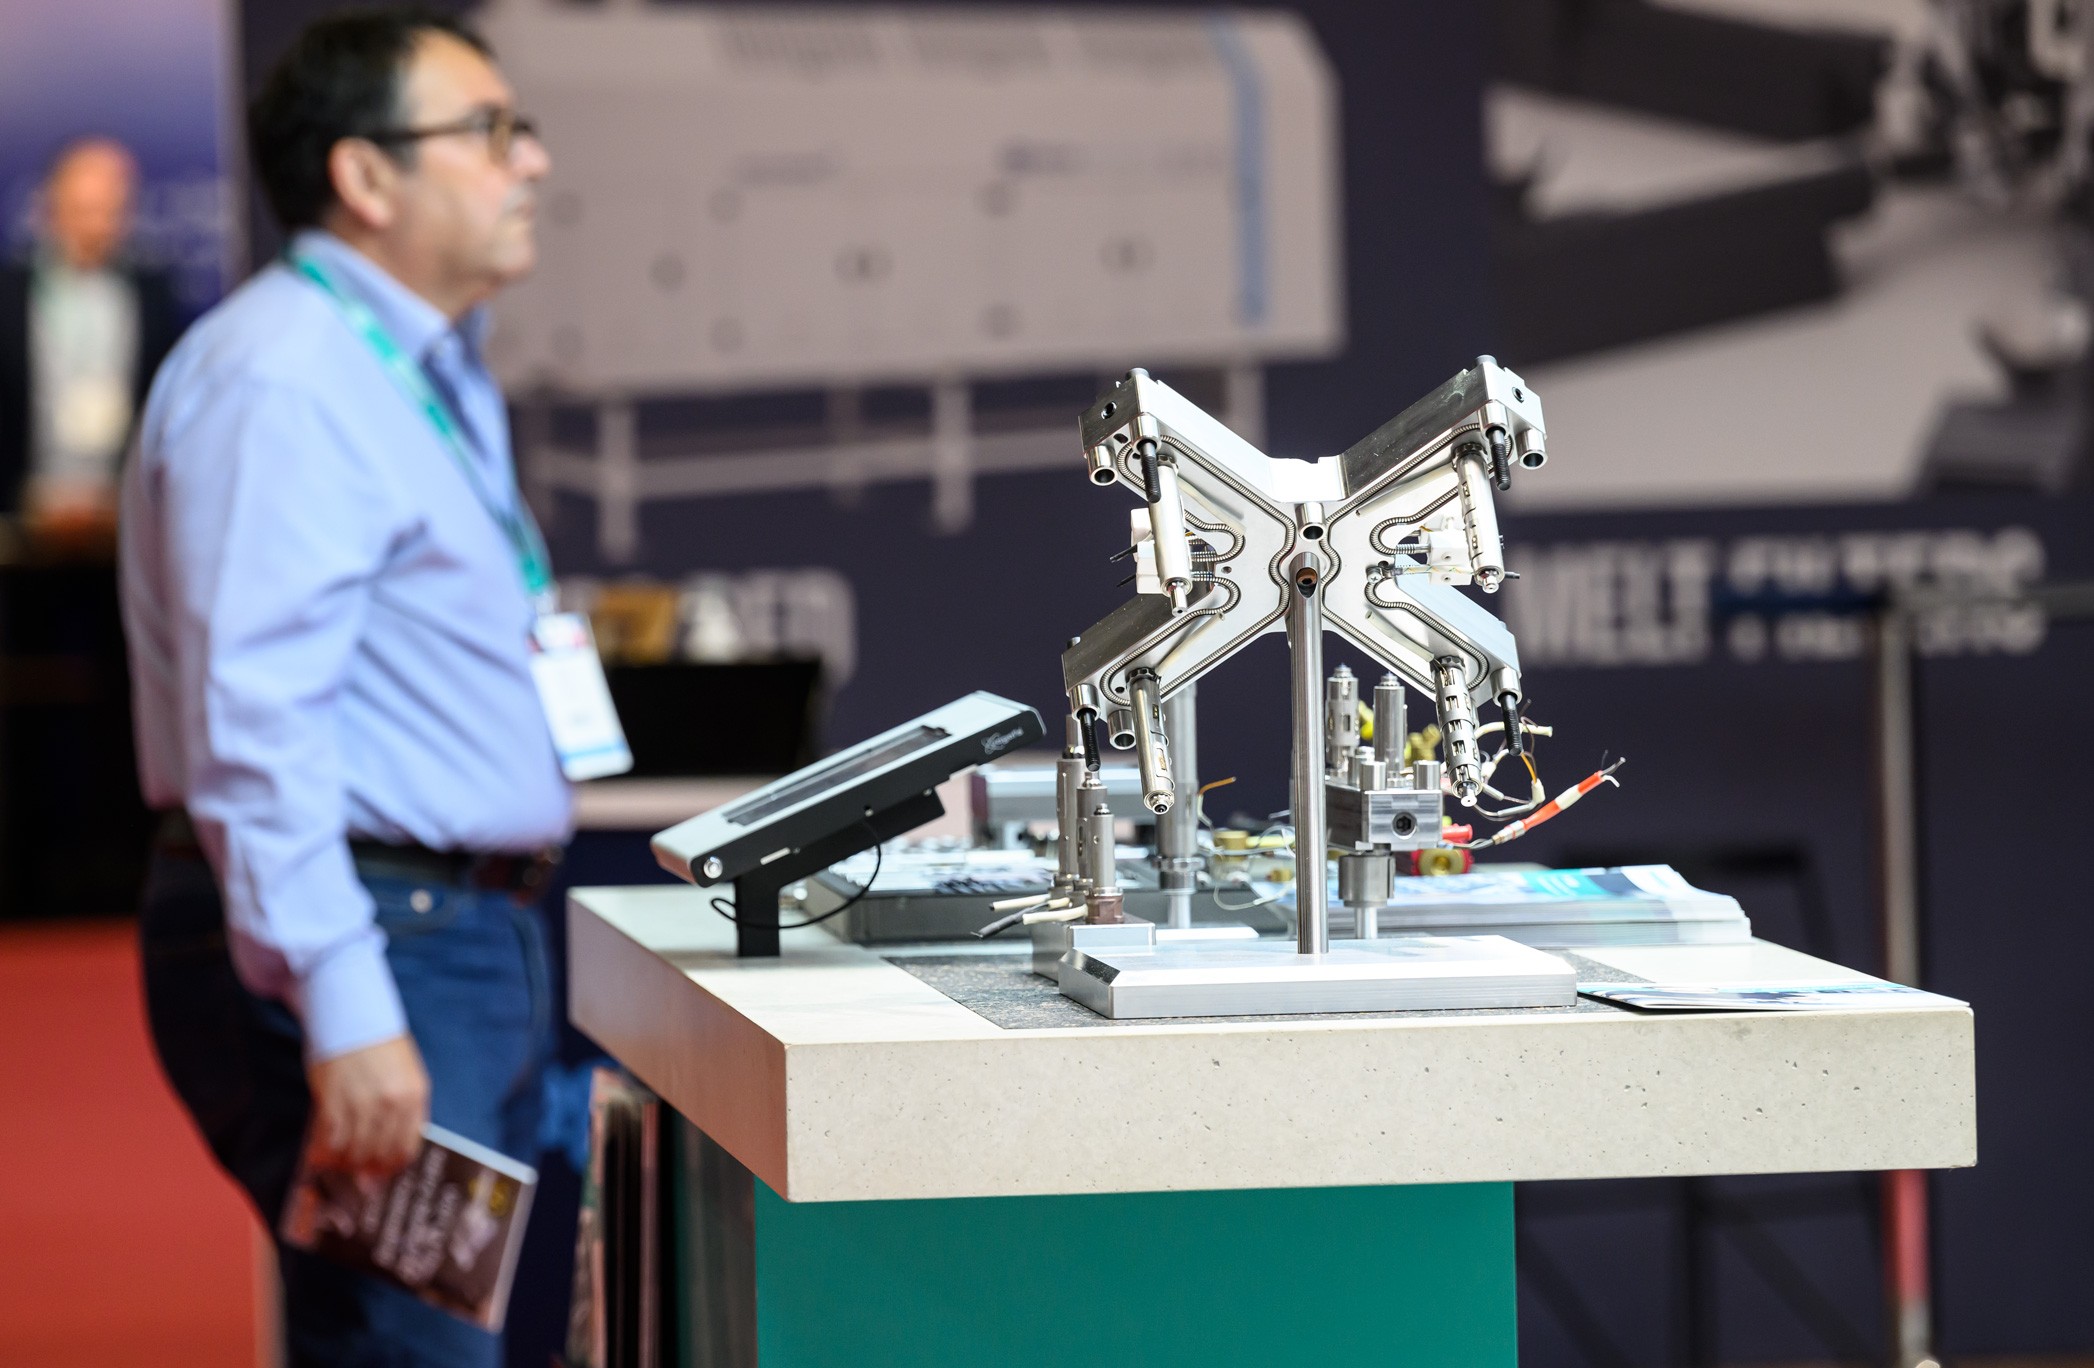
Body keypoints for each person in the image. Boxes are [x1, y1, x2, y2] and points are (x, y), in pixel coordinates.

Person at [121, 10, 575, 1365]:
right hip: (376, 934)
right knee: (406, 1351)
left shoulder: (410, 363)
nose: (533, 159)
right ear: (366, 176)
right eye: (488, 130)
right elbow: (253, 725)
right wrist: (344, 996)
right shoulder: (286, 375)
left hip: (442, 929)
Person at [0, 137, 182, 542]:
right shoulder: (9, 295)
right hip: (23, 521)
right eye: (83, 210)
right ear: (51, 208)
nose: (96, 227)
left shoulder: (154, 294)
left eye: (109, 211)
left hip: (121, 522)